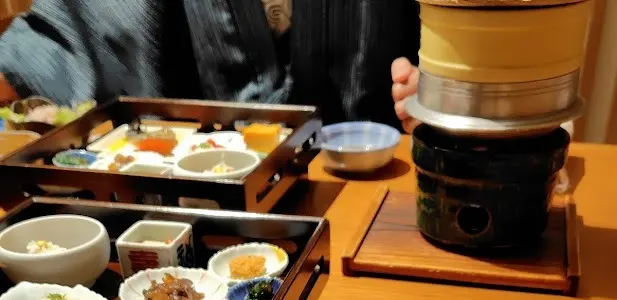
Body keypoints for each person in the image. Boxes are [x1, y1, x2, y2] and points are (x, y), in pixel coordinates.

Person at [0, 0, 419, 129]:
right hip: (197, 193)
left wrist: (432, 91)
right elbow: (52, 39)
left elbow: (460, 49)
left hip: (371, 183)